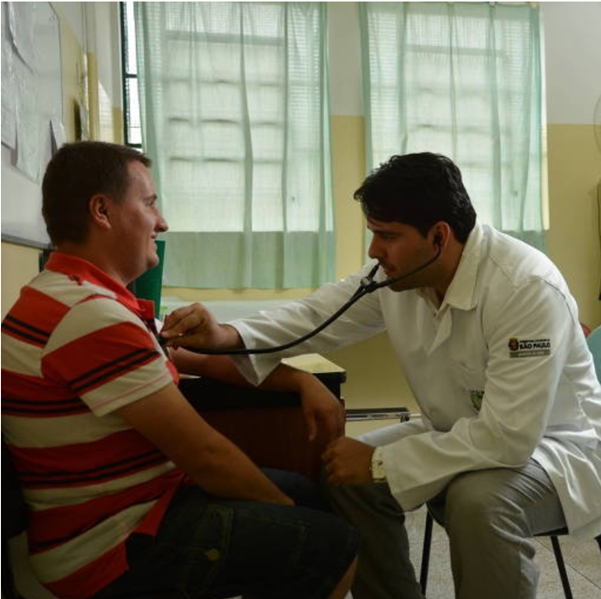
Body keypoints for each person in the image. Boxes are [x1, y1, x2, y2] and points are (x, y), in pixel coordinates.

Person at [161, 152, 601, 599]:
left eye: (386, 235)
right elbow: (314, 316)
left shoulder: (523, 286)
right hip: (459, 432)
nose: (374, 250)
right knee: (342, 474)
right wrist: (225, 335)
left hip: (559, 451)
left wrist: (382, 463)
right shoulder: (401, 275)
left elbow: (509, 439)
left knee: (477, 501)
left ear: (439, 237)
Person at [0, 141, 357, 599]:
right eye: (149, 203)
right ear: (102, 211)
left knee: (304, 493)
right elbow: (206, 457)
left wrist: (298, 379)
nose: (162, 222)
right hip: (109, 544)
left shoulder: (64, 293)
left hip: (124, 510)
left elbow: (192, 358)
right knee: (330, 546)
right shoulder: (91, 317)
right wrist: (285, 515)